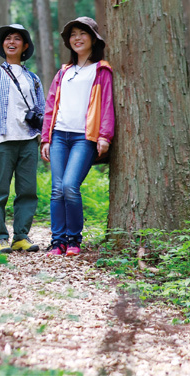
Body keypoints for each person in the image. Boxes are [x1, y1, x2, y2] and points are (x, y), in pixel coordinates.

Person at [40, 16, 115, 257]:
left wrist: (105, 135)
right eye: (73, 34)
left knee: (70, 186)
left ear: (93, 39)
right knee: (57, 190)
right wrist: (46, 138)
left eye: (83, 33)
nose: (77, 38)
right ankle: (57, 241)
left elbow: (107, 105)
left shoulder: (102, 70)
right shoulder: (64, 72)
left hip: (85, 137)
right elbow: (51, 106)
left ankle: (74, 239)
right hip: (59, 135)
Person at [0, 24, 45, 254]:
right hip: (1, 140)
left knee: (27, 190)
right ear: (3, 45)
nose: (12, 42)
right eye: (8, 38)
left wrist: (43, 138)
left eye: (17, 38)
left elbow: (41, 110)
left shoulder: (33, 78)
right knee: (0, 191)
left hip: (28, 139)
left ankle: (21, 236)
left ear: (24, 46)